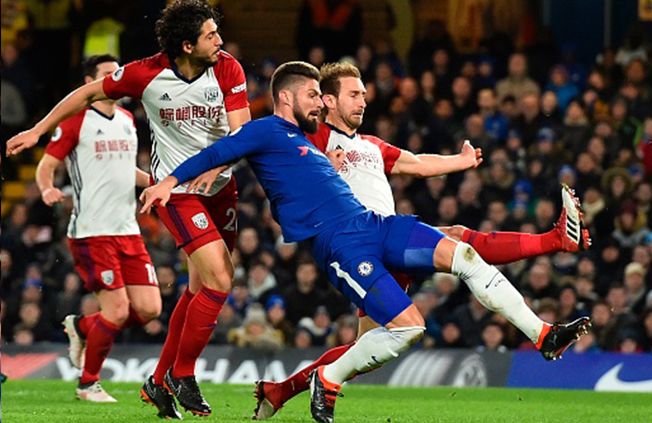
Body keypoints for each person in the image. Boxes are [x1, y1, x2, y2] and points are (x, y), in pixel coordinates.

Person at [140, 61, 591, 423]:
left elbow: (415, 162)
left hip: (377, 224)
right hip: (344, 245)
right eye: (321, 94)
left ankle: (544, 334)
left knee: (464, 251)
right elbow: (221, 152)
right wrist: (170, 181)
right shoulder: (281, 131)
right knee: (408, 327)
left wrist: (459, 159)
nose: (353, 101)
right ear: (292, 97)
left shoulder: (341, 142)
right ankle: (319, 380)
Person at [6, 1, 251, 418]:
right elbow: (86, 93)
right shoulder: (145, 73)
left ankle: (157, 382)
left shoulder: (227, 67)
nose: (220, 40)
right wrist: (38, 129)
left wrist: (224, 165)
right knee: (221, 279)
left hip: (221, 188)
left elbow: (242, 129)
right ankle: (182, 375)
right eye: (211, 35)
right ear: (187, 45)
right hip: (175, 191)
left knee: (196, 290)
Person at [34, 55, 162, 402]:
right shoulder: (75, 120)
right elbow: (47, 165)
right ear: (89, 81)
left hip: (128, 230)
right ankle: (88, 383)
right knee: (118, 310)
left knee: (150, 309)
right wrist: (47, 188)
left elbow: (125, 170)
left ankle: (82, 326)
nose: (116, 78)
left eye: (118, 72)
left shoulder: (126, 119)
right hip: (92, 231)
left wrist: (157, 182)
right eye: (108, 74)